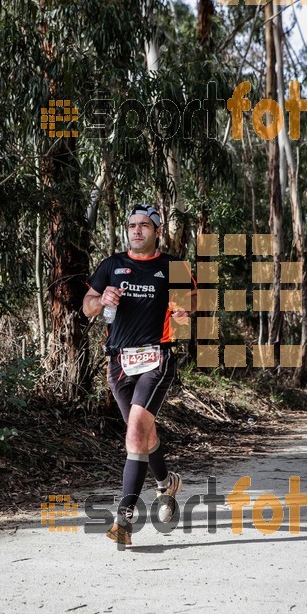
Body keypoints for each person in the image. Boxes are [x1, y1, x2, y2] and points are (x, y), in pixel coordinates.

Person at [83, 204, 196, 547]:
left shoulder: (171, 266)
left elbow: (191, 303)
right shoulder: (111, 266)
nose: (136, 230)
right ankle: (166, 484)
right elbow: (86, 306)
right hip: (118, 363)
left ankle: (124, 520)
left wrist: (184, 309)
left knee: (135, 433)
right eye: (132, 225)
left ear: (156, 231)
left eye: (144, 225)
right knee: (144, 437)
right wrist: (101, 299)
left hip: (156, 358)